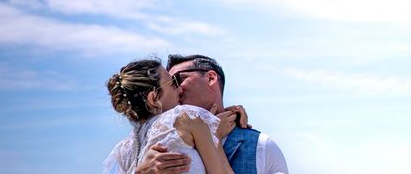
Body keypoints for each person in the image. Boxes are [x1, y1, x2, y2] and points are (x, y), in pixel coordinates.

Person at [135, 54, 288, 174]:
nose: (177, 90)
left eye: (178, 79)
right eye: (170, 84)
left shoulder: (262, 146)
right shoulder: (152, 143)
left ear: (211, 78)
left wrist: (211, 135)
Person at [103, 58, 234, 174]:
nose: (180, 89)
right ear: (154, 98)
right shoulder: (187, 117)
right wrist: (214, 136)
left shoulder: (123, 150)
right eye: (173, 84)